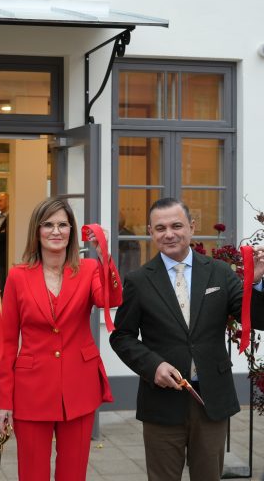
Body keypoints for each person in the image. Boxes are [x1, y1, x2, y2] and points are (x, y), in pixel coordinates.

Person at [110, 197, 264, 481]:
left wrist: (255, 283)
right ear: (151, 232)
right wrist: (153, 366)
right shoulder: (139, 281)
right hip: (161, 402)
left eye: (176, 226)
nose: (169, 234)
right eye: (160, 228)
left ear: (192, 227)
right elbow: (122, 337)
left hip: (211, 400)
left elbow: (256, 319)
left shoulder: (219, 272)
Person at [0, 195, 122, 481]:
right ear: (37, 230)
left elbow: (111, 299)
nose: (56, 231)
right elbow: (8, 342)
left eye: (63, 225)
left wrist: (105, 257)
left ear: (72, 231)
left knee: (73, 474)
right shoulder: (18, 276)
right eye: (48, 224)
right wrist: (3, 400)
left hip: (79, 387)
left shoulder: (88, 270)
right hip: (31, 390)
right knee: (32, 474)